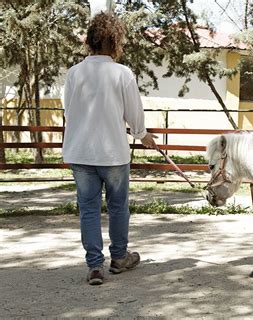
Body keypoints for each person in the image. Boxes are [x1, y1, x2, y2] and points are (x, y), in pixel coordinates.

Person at [62, 12, 157, 285]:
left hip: (80, 151)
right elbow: (133, 113)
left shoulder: (74, 73)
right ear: (115, 40)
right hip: (112, 153)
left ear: (91, 40)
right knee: (117, 207)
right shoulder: (122, 73)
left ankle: (94, 267)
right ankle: (118, 258)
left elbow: (69, 110)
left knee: (88, 208)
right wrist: (142, 135)